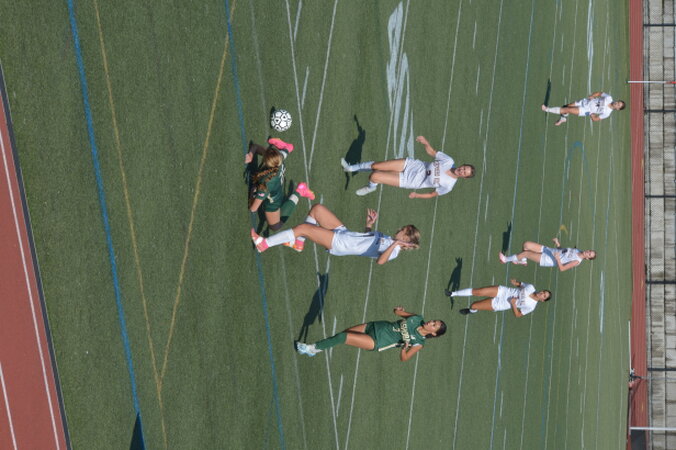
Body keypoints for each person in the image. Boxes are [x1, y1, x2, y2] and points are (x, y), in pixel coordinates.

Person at [250, 205, 419, 265]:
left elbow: (380, 261)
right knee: (317, 209)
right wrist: (369, 225)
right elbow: (366, 241)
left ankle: (264, 244)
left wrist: (395, 244)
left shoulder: (394, 251)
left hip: (340, 243)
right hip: (344, 233)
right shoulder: (389, 239)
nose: (399, 229)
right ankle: (298, 243)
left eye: (403, 230)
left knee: (303, 228)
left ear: (405, 238)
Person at [340, 135, 475, 197]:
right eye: (464, 168)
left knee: (374, 176)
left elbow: (432, 194)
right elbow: (433, 152)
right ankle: (350, 168)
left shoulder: (449, 185)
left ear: (464, 177)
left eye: (464, 173)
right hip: (412, 165)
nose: (462, 170)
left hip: (410, 180)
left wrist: (417, 195)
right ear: (462, 165)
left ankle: (371, 188)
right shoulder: (449, 161)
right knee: (376, 165)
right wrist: (425, 142)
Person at [295, 306, 446, 361]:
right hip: (375, 326)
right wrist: (398, 310)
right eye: (434, 321)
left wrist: (403, 349)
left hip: (378, 341)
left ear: (433, 334)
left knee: (343, 337)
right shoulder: (417, 318)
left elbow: (405, 358)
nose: (431, 322)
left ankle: (311, 348)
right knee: (344, 333)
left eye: (434, 325)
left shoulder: (419, 342)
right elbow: (398, 312)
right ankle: (316, 350)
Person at [245, 137, 315, 231]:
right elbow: (256, 147)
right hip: (276, 186)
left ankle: (299, 192)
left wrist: (253, 192)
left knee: (275, 226)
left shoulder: (266, 183)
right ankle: (287, 148)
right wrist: (251, 154)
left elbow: (253, 209)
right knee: (281, 156)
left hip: (273, 202)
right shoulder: (278, 160)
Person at [447, 279, 551, 317]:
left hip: (502, 304)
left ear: (543, 300)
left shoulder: (531, 306)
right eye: (543, 292)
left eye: (544, 295)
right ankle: (452, 293)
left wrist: (513, 304)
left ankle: (472, 310)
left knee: (474, 305)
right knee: (478, 292)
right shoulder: (531, 287)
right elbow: (521, 284)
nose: (542, 293)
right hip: (503, 291)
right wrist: (515, 283)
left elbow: (518, 314)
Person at [499, 238, 596, 272]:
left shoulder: (577, 261)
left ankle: (505, 260)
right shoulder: (577, 250)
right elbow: (563, 251)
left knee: (526, 253)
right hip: (548, 250)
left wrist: (557, 259)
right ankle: (522, 260)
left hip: (548, 259)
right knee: (526, 245)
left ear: (587, 258)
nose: (588, 252)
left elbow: (562, 269)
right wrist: (558, 243)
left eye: (589, 254)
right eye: (589, 251)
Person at [542, 92, 625, 126]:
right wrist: (592, 96)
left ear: (617, 109)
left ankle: (546, 109)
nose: (616, 103)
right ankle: (563, 118)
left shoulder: (607, 113)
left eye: (618, 105)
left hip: (586, 110)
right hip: (585, 102)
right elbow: (600, 93)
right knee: (566, 106)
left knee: (568, 110)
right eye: (618, 102)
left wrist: (592, 114)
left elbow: (596, 119)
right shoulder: (609, 98)